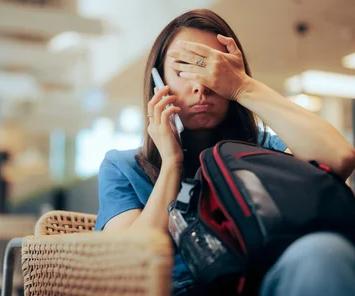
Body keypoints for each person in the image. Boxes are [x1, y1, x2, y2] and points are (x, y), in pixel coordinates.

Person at [94, 9, 355, 296]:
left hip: (262, 283)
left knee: (325, 254)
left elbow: (339, 159)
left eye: (213, 70)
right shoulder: (122, 167)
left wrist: (244, 87)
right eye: (183, 71)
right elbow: (128, 267)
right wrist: (171, 163)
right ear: (158, 82)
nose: (200, 86)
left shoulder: (265, 152)